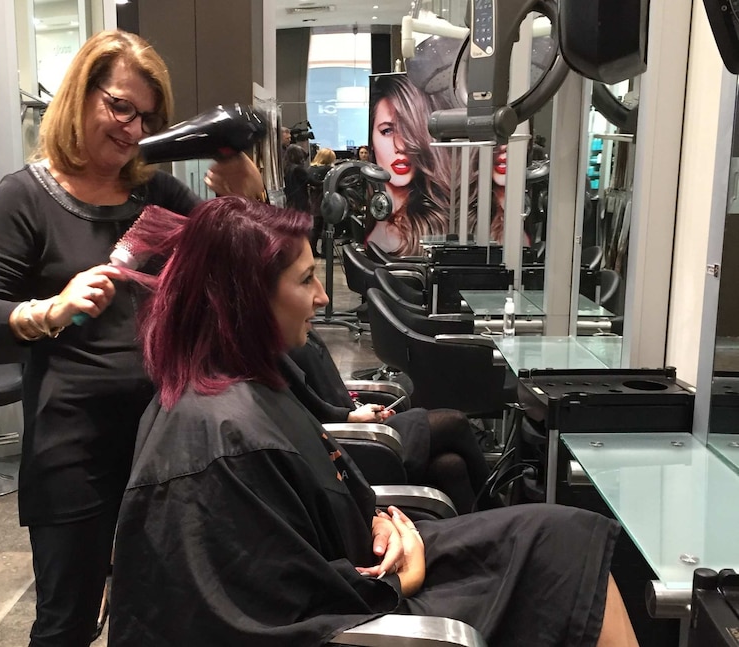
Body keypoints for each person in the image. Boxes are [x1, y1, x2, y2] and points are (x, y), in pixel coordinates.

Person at [108, 195, 639, 647]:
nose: (322, 297)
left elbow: (305, 509)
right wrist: (403, 582)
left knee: (566, 534)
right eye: (306, 279)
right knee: (565, 559)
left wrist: (377, 518)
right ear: (246, 301)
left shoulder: (243, 385)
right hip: (356, 609)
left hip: (363, 563)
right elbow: (271, 617)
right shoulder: (222, 443)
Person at [0, 29, 263, 647]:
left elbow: (245, 266)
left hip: (165, 437)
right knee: (66, 622)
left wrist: (249, 201)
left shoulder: (157, 193)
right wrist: (52, 308)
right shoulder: (24, 197)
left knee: (158, 612)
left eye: (147, 116)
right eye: (119, 106)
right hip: (72, 446)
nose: (132, 128)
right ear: (80, 95)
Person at [286, 329, 500, 512]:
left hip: (355, 430)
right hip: (349, 450)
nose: (322, 297)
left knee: (451, 465)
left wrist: (359, 412)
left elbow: (327, 394)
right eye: (305, 281)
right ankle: (499, 513)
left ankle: (488, 538)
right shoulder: (280, 348)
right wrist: (350, 417)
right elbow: (305, 416)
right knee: (455, 422)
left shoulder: (298, 331)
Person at [367, 74, 477, 256]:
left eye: (409, 130)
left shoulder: (438, 222)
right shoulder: (372, 225)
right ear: (372, 140)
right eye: (387, 131)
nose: (401, 146)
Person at [307, 147, 336, 257]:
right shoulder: (329, 171)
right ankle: (326, 251)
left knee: (315, 228)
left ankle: (312, 250)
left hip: (314, 200)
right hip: (326, 201)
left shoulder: (310, 169)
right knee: (327, 227)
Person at [283, 143, 310, 213]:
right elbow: (311, 181)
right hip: (300, 201)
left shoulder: (287, 168)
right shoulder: (298, 169)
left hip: (290, 200)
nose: (303, 161)